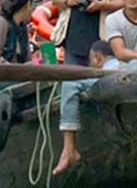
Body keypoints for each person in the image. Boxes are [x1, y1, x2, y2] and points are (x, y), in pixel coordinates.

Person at [53, 41, 123, 175]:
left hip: (111, 82)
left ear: (98, 58)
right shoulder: (129, 64)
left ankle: (69, 149)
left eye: (91, 61)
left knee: (70, 84)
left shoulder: (105, 71)